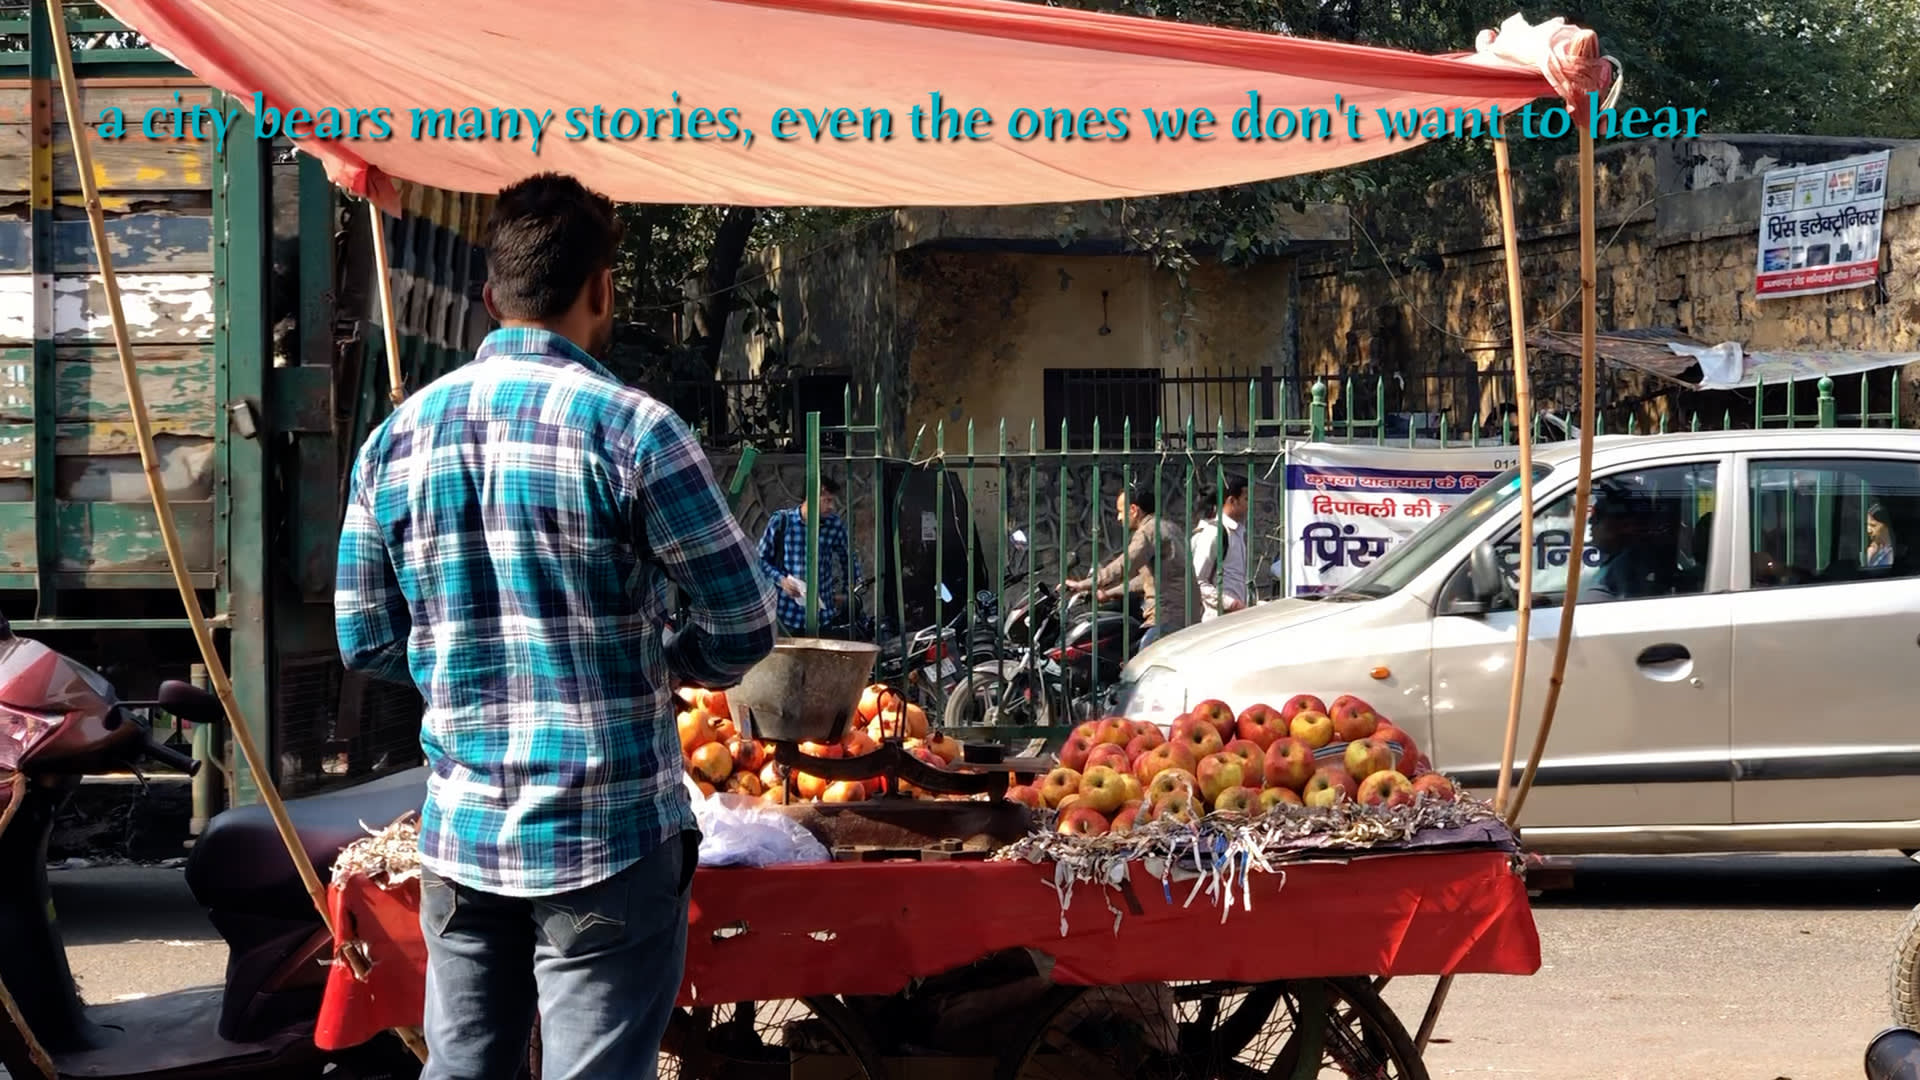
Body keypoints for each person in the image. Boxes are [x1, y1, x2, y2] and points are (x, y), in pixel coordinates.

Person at [334, 173, 777, 1080]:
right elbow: (744, 623)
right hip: (607, 836)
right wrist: (657, 659)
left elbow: (364, 635)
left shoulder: (395, 440)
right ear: (603, 289)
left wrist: (463, 667)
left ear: (491, 295)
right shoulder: (639, 433)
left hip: (462, 838)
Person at [1068, 484, 1191, 647]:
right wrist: (1110, 593)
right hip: (1184, 613)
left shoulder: (1148, 532)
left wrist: (1081, 584)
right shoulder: (1169, 527)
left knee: (1140, 667)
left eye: (1120, 511)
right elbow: (1146, 579)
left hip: (1167, 615)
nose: (1119, 518)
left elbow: (1123, 565)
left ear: (1133, 509)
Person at [759, 476, 863, 636]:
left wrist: (848, 593)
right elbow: (760, 560)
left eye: (832, 501)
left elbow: (849, 559)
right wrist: (781, 580)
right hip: (787, 614)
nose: (832, 506)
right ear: (811, 497)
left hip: (822, 616)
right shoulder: (782, 521)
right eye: (827, 501)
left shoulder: (833, 524)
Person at [1190, 479, 1249, 621]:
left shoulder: (1237, 532)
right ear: (1232, 501)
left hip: (1238, 618)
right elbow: (1198, 582)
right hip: (1216, 620)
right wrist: (1231, 603)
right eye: (1246, 499)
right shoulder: (1215, 532)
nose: (1250, 505)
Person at [1867, 502, 1897, 568]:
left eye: (1873, 525)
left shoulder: (1892, 552)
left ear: (1886, 527)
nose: (1868, 530)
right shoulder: (1877, 549)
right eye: (1867, 525)